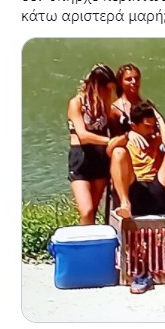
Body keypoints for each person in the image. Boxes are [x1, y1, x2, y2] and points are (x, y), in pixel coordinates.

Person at [108, 101, 165, 218]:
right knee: (118, 152)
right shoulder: (126, 140)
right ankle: (125, 204)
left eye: (153, 126)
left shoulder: (156, 139)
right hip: (134, 189)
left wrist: (159, 118)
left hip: (156, 191)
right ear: (134, 126)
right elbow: (109, 150)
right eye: (147, 127)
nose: (151, 131)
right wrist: (127, 136)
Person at [67, 64, 117, 224]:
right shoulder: (76, 103)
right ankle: (83, 238)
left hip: (100, 158)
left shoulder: (105, 104)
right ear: (96, 86)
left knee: (93, 210)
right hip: (81, 156)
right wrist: (110, 141)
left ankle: (92, 238)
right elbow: (82, 135)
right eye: (107, 89)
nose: (109, 93)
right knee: (86, 211)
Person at [110, 64, 143, 136]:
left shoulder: (147, 106)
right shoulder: (115, 109)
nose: (134, 81)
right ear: (120, 82)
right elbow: (113, 137)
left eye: (136, 78)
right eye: (129, 79)